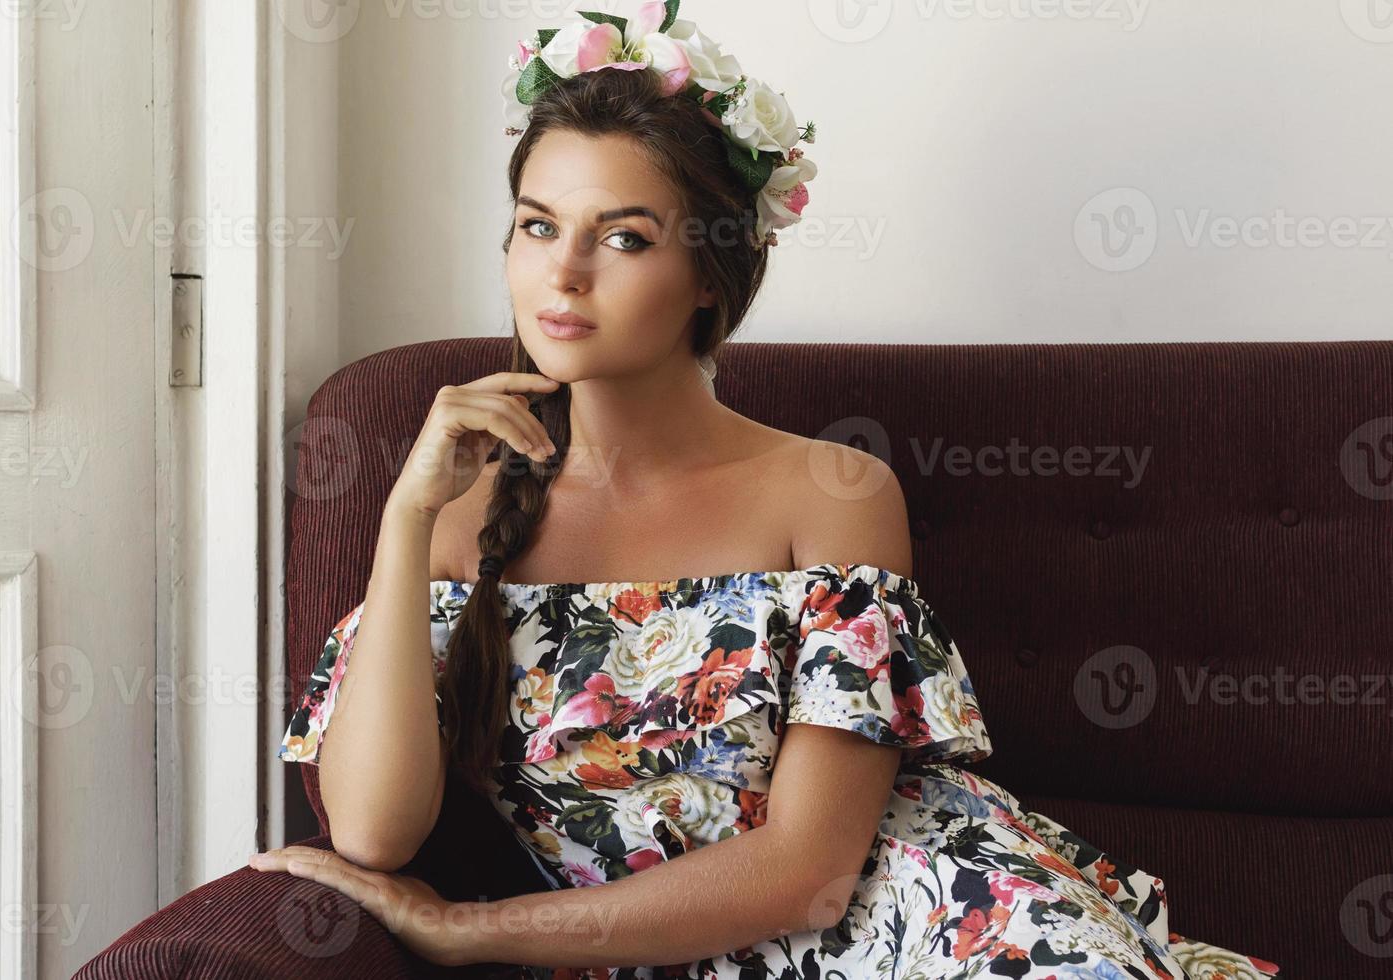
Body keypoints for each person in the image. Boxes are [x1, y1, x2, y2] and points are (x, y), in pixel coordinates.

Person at [258, 4, 1281, 978]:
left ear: (710, 273)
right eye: (535, 225)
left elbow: (810, 872)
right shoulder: (457, 513)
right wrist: (404, 520)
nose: (561, 274)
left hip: (941, 923)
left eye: (622, 237)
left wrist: (471, 931)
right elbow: (369, 830)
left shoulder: (830, 490)